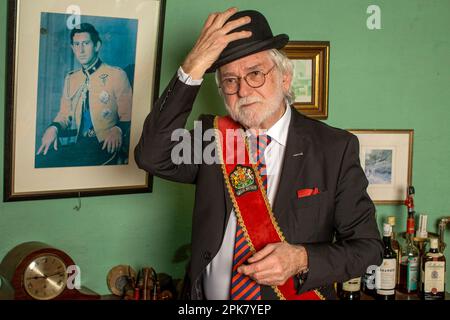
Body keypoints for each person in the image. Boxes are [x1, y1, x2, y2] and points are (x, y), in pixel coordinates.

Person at [135, 8, 383, 300]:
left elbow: (368, 249)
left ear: (285, 77)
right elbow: (151, 156)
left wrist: (301, 259)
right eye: (229, 80)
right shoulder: (211, 139)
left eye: (255, 73)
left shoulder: (334, 148)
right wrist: (192, 67)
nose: (242, 90)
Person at [36, 22, 133, 168]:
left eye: (86, 43)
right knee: (40, 161)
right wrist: (53, 128)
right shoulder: (71, 79)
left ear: (97, 46)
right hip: (79, 145)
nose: (81, 50)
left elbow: (129, 114)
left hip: (105, 145)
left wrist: (118, 129)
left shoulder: (116, 75)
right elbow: (64, 114)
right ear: (72, 48)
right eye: (76, 44)